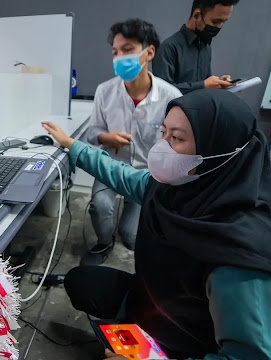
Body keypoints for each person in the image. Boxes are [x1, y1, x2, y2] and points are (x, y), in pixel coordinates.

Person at [41, 89, 271, 360]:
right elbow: (120, 174)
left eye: (177, 138)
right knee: (82, 281)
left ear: (219, 151)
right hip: (158, 305)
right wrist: (73, 145)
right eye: (163, 132)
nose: (162, 147)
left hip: (193, 345)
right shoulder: (170, 189)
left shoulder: (243, 258)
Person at [82, 18, 182, 265]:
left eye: (127, 50)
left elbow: (178, 146)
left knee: (131, 236)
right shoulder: (105, 91)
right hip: (112, 167)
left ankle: (130, 222)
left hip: (145, 174)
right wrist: (105, 137)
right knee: (99, 206)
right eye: (115, 52)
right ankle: (104, 243)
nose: (119, 58)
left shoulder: (171, 97)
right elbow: (91, 132)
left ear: (149, 52)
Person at [152, 0, 239, 94]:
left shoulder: (206, 48)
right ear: (197, 15)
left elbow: (205, 84)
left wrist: (217, 83)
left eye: (223, 22)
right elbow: (162, 93)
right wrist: (204, 85)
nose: (219, 27)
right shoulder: (168, 48)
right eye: (215, 21)